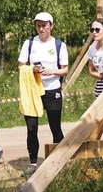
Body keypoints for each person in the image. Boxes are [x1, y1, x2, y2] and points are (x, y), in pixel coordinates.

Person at [18, 12, 69, 176]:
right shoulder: (29, 43)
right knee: (31, 127)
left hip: (52, 89)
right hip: (33, 90)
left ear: (51, 26)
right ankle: (33, 163)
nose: (41, 29)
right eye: (38, 25)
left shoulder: (59, 45)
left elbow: (65, 70)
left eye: (44, 25)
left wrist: (51, 71)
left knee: (55, 127)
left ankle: (59, 161)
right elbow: (20, 66)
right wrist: (31, 69)